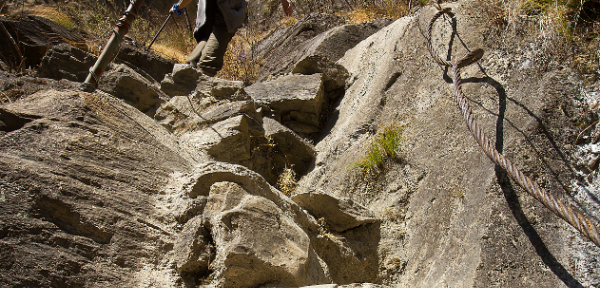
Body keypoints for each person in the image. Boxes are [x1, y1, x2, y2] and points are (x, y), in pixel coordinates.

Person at [170, 0, 293, 76]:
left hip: (225, 18)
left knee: (207, 65)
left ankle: (196, 100)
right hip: (211, 19)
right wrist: (179, 6)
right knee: (191, 64)